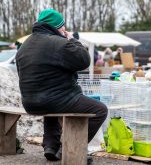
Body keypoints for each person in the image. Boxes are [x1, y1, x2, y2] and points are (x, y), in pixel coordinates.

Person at [15, 9, 108, 164]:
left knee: (51, 104)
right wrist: (73, 40)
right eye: (63, 27)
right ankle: (70, 148)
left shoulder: (24, 46)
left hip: (30, 102)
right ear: (56, 26)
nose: (64, 30)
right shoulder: (60, 43)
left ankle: (51, 147)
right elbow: (84, 60)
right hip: (56, 100)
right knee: (99, 109)